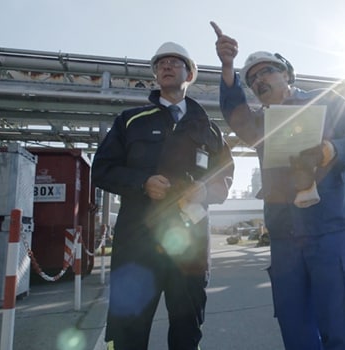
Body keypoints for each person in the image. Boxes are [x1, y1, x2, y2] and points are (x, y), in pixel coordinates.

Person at [211, 22, 345, 350]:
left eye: (267, 71)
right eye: (252, 78)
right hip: (285, 239)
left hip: (330, 230)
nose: (259, 80)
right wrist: (228, 67)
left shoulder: (327, 102)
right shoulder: (259, 124)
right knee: (296, 328)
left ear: (287, 74)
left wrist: (331, 150)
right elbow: (234, 112)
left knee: (342, 324)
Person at [92, 41, 234, 350]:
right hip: (138, 244)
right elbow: (101, 170)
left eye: (175, 62)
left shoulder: (209, 130)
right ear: (156, 75)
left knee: (187, 330)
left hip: (190, 247)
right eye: (160, 63)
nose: (166, 66)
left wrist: (206, 190)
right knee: (129, 330)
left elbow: (225, 177)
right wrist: (142, 182)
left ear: (190, 73)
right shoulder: (130, 121)